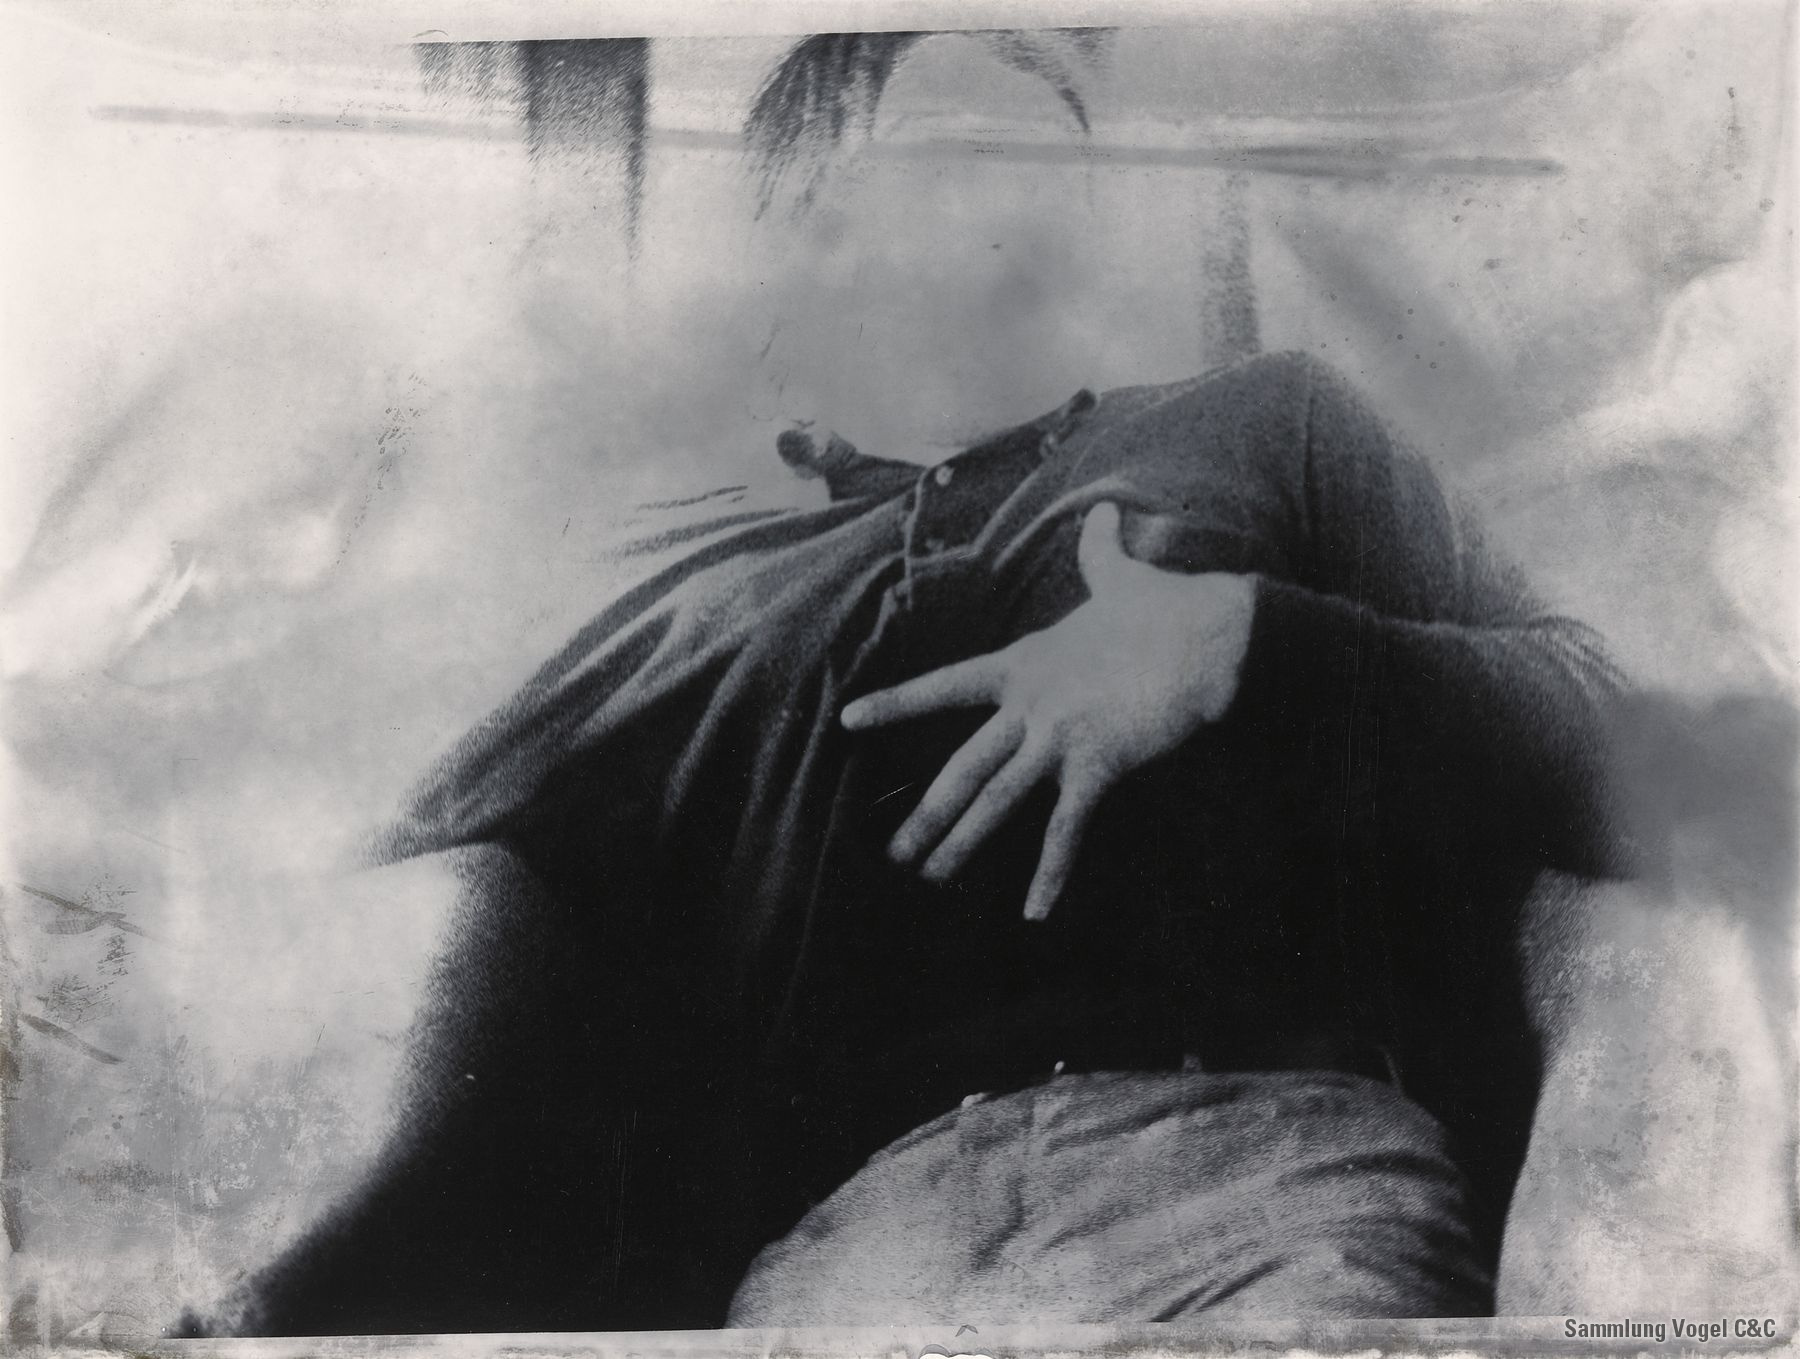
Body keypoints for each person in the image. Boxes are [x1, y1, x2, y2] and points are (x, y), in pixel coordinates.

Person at [185, 350, 1632, 1335]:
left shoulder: (1270, 420)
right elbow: (383, 880)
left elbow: (1627, 746)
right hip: (855, 1258)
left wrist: (1246, 643)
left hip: (1251, 1181)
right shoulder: (695, 594)